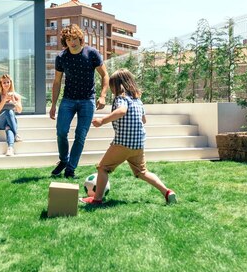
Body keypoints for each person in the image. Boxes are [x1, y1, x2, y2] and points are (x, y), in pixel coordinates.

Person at [79, 68, 177, 205]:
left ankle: (97, 199)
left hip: (123, 143)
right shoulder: (138, 101)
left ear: (119, 86)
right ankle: (167, 192)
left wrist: (102, 121)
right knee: (142, 172)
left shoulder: (121, 99)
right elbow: (144, 120)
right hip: (138, 144)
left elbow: (122, 111)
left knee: (103, 168)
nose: (112, 90)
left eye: (112, 86)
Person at [50, 24, 109, 178]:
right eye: (69, 39)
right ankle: (64, 160)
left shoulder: (92, 53)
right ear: (65, 41)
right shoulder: (61, 57)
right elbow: (57, 82)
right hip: (68, 100)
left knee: (80, 135)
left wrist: (102, 95)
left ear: (80, 39)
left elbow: (105, 75)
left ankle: (70, 169)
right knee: (61, 131)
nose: (72, 42)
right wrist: (53, 104)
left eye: (75, 38)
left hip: (87, 101)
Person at [0, 74, 22, 156]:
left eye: (8, 82)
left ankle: (10, 148)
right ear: (1, 84)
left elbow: (19, 110)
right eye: (4, 83)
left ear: (10, 83)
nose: (6, 84)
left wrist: (14, 102)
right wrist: (4, 99)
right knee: (8, 112)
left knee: (8, 128)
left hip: (10, 121)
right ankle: (16, 134)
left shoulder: (16, 96)